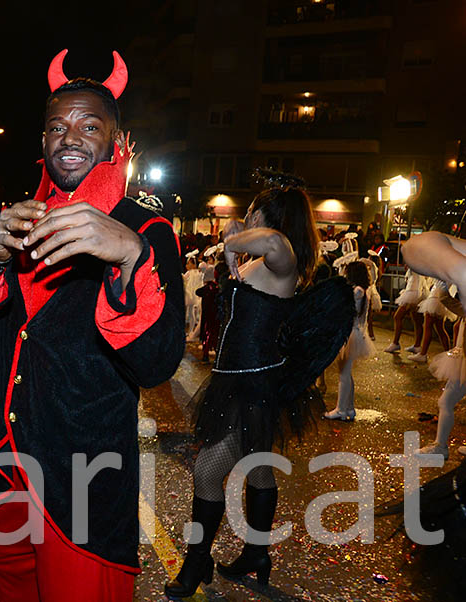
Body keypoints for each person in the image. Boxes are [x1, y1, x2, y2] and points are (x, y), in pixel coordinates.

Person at [0, 51, 184, 601]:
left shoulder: (145, 229)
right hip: (7, 466)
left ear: (116, 144)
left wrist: (130, 257)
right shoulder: (24, 216)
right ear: (42, 142)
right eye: (57, 127)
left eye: (88, 126)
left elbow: (156, 364)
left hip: (84, 486)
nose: (69, 138)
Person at [165, 182, 353, 599]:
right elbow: (254, 237)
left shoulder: (281, 256)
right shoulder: (262, 259)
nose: (247, 219)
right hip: (235, 379)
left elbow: (268, 238)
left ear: (275, 219)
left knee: (207, 470)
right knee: (259, 466)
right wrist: (235, 235)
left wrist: (233, 241)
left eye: (253, 212)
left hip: (255, 384)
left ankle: (197, 562)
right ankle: (256, 553)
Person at [402, 231, 466, 459]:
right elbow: (414, 248)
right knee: (446, 400)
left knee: (446, 400)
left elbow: (415, 248)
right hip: (463, 361)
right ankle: (440, 446)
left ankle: (440, 447)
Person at [324, 260, 376, 421]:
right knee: (346, 373)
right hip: (355, 333)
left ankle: (340, 409)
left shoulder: (358, 291)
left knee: (344, 373)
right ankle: (349, 408)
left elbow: (346, 310)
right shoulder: (363, 290)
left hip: (352, 333)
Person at [385, 267, 426, 354]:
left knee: (398, 316)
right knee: (417, 321)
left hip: (413, 292)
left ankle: (396, 343)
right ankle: (417, 345)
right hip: (413, 292)